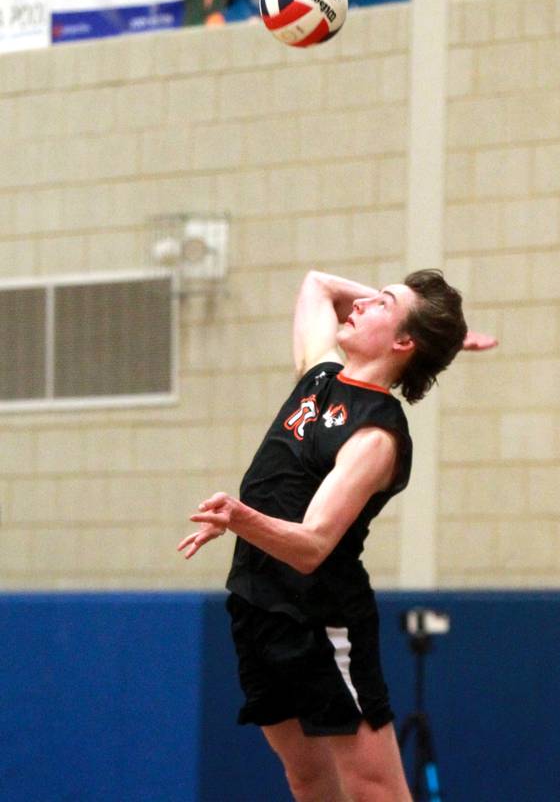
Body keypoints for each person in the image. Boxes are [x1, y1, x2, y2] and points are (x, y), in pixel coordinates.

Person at [178, 269, 497, 801]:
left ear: (401, 341)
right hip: (258, 603)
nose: (361, 304)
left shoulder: (377, 434)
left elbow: (313, 545)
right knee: (306, 778)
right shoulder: (320, 375)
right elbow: (316, 285)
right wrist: (432, 330)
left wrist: (240, 517)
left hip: (321, 617)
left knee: (376, 790)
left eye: (381, 304)